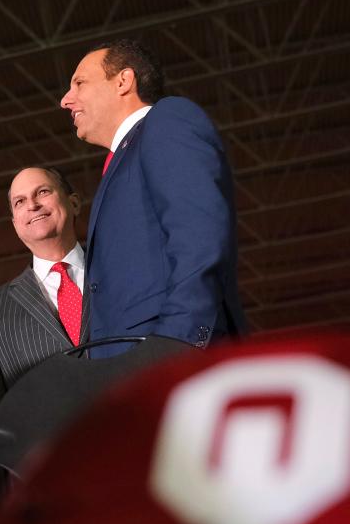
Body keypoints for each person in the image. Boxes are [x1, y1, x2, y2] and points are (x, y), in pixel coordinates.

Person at [60, 39, 247, 357]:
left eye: (79, 83)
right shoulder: (122, 160)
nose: (66, 100)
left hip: (172, 362)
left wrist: (178, 344)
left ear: (123, 81)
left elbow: (199, 239)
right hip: (128, 370)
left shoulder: (166, 120)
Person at [0, 166, 86, 524]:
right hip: (47, 490)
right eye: (20, 202)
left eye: (42, 193)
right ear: (14, 221)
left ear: (73, 203)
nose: (31, 205)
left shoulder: (123, 275)